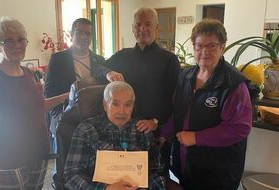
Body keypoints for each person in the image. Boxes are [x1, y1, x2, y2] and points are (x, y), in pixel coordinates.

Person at [0, 17, 69, 190]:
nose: (17, 44)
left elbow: (37, 107)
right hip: (10, 160)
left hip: (38, 154)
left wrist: (64, 96)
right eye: (8, 40)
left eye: (20, 39)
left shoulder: (28, 74)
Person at [170, 18, 252, 189]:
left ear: (222, 47)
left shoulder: (233, 84)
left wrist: (196, 137)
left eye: (211, 45)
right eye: (199, 45)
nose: (204, 51)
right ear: (193, 47)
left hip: (218, 173)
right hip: (187, 164)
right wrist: (164, 133)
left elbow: (240, 128)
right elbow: (178, 112)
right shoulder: (185, 76)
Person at [105, 7, 180, 176]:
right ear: (132, 28)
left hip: (154, 132)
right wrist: (108, 72)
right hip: (123, 130)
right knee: (125, 176)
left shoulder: (169, 59)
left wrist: (157, 122)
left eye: (148, 24)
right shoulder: (122, 56)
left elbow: (176, 100)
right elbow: (99, 66)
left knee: (156, 177)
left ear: (156, 28)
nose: (142, 29)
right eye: (138, 24)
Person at [64, 81, 166, 190]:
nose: (122, 111)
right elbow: (72, 175)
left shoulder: (142, 130)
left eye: (127, 105)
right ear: (105, 105)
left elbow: (157, 171)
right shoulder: (86, 129)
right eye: (115, 104)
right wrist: (105, 189)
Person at [44, 18, 123, 154]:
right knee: (64, 162)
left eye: (87, 33)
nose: (83, 37)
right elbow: (48, 94)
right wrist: (61, 117)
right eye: (79, 32)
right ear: (71, 34)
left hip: (92, 122)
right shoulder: (57, 59)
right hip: (66, 120)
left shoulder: (99, 60)